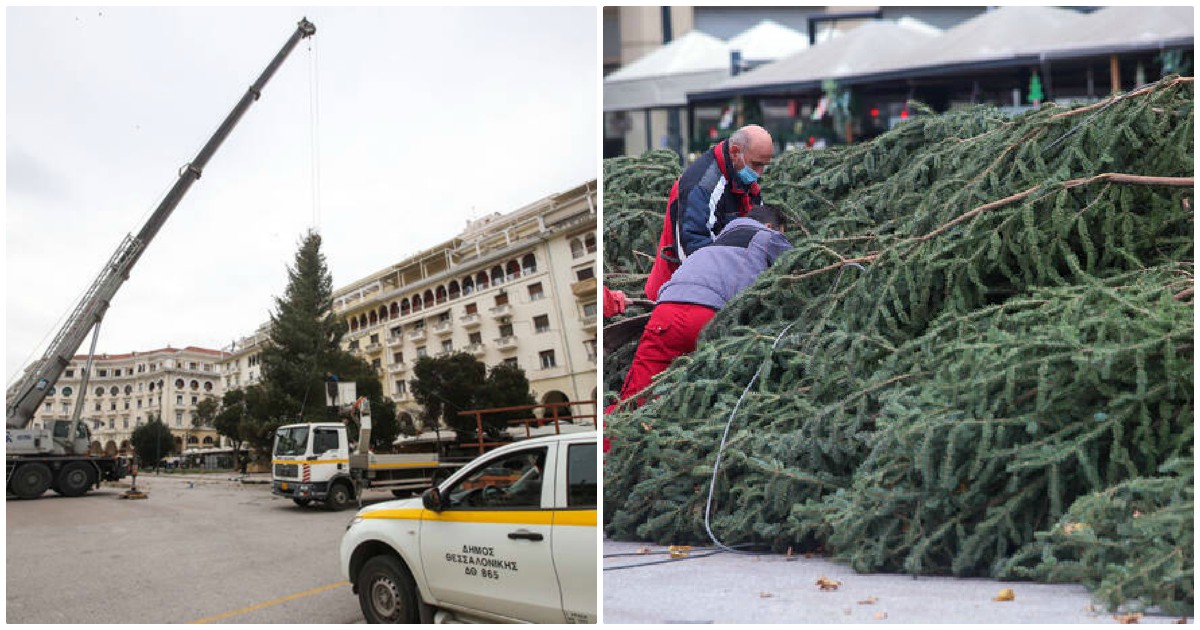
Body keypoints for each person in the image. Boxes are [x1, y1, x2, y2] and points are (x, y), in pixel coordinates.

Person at [616, 205, 792, 406]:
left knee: (634, 397)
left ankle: (617, 433)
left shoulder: (708, 248)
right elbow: (796, 263)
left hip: (664, 312)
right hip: (708, 315)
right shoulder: (767, 236)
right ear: (770, 226)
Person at [643, 124, 775, 302]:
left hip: (717, 289)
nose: (759, 173)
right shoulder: (702, 186)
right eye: (757, 164)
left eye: (764, 166)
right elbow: (694, 251)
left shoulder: (742, 178)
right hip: (680, 294)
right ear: (735, 152)